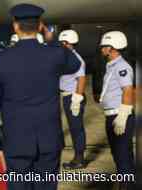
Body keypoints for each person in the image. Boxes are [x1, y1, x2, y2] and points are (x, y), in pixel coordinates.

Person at [0, 4, 81, 190]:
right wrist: (50, 38)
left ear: (15, 26)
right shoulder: (54, 54)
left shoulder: (1, 60)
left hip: (16, 142)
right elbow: (75, 64)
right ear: (39, 26)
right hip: (49, 141)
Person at [99, 31, 135, 190]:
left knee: (122, 155)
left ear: (112, 48)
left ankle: (125, 186)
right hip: (112, 115)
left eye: (104, 46)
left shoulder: (122, 67)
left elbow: (128, 90)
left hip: (119, 115)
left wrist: (122, 117)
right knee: (120, 153)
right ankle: (129, 182)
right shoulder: (112, 65)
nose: (101, 49)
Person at [58, 29, 87, 170]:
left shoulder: (77, 59)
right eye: (61, 42)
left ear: (72, 43)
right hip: (66, 96)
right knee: (73, 127)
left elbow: (81, 79)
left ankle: (79, 159)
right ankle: (78, 157)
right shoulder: (64, 57)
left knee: (76, 128)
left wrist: (76, 99)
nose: (63, 44)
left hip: (73, 96)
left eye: (66, 42)